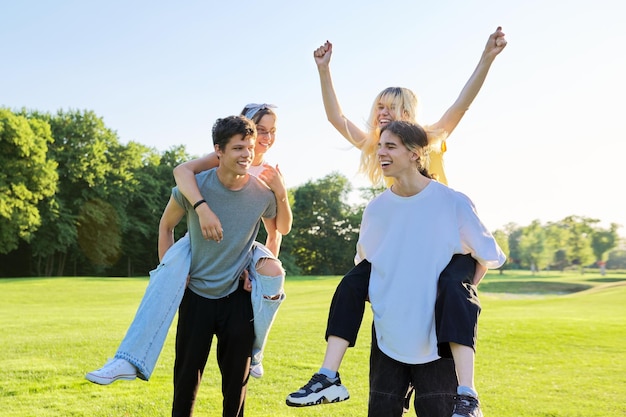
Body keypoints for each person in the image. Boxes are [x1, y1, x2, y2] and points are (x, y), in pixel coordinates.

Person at [286, 27, 507, 415]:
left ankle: (467, 393)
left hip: (445, 237)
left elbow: (461, 104)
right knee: (355, 281)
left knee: (452, 289)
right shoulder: (379, 151)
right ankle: (328, 376)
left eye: (389, 107)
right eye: (378, 108)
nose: (380, 114)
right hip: (403, 234)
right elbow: (337, 118)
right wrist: (324, 71)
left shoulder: (428, 137)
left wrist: (487, 58)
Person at [85, 104, 290, 385]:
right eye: (261, 129)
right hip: (199, 236)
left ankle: (257, 351)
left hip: (245, 244)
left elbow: (277, 231)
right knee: (167, 273)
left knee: (274, 273)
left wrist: (255, 272)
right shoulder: (223, 156)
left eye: (272, 131)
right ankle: (128, 359)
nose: (266, 137)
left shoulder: (270, 175)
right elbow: (182, 172)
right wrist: (202, 208)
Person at [362, 121, 505, 416]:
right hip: (388, 336)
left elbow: (487, 257)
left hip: (438, 340)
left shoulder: (453, 203)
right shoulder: (376, 209)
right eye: (379, 146)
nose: (381, 153)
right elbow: (365, 269)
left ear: (416, 154)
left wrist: (455, 295)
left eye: (390, 146)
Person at [161, 115, 291, 416]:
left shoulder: (261, 192)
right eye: (237, 148)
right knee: (185, 384)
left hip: (237, 299)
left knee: (236, 387)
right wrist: (171, 274)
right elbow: (165, 227)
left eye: (248, 147)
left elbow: (280, 228)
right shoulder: (193, 187)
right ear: (218, 150)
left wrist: (281, 193)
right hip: (196, 297)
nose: (246, 154)